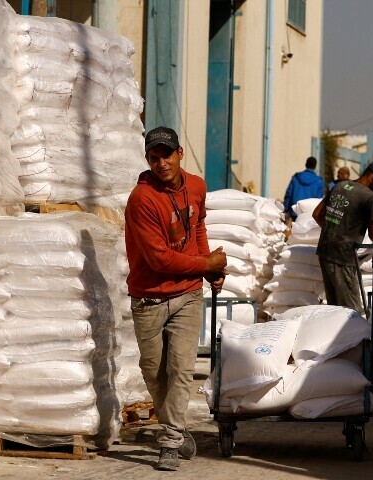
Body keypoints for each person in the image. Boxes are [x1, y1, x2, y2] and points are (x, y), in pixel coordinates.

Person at [124, 126, 227, 471]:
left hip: (187, 294)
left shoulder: (196, 186)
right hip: (149, 298)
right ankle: (178, 429)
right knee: (155, 374)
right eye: (154, 157)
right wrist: (207, 262)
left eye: (166, 155)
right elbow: (159, 259)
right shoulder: (142, 200)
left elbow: (197, 226)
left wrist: (208, 268)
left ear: (179, 153)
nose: (161, 163)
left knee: (181, 369)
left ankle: (169, 440)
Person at [313, 161, 373, 314]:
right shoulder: (369, 197)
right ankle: (356, 339)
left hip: (325, 251)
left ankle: (337, 338)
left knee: (335, 309)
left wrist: (333, 230)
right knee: (351, 312)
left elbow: (317, 214)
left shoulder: (339, 186)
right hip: (343, 257)